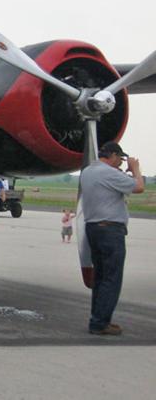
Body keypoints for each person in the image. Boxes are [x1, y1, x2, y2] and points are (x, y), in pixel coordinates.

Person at [80, 141, 144, 336]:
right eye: (120, 158)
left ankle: (97, 318)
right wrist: (135, 169)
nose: (120, 162)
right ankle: (100, 323)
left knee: (100, 277)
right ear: (113, 156)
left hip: (93, 228)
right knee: (111, 278)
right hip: (110, 230)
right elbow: (139, 187)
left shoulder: (88, 171)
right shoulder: (109, 173)